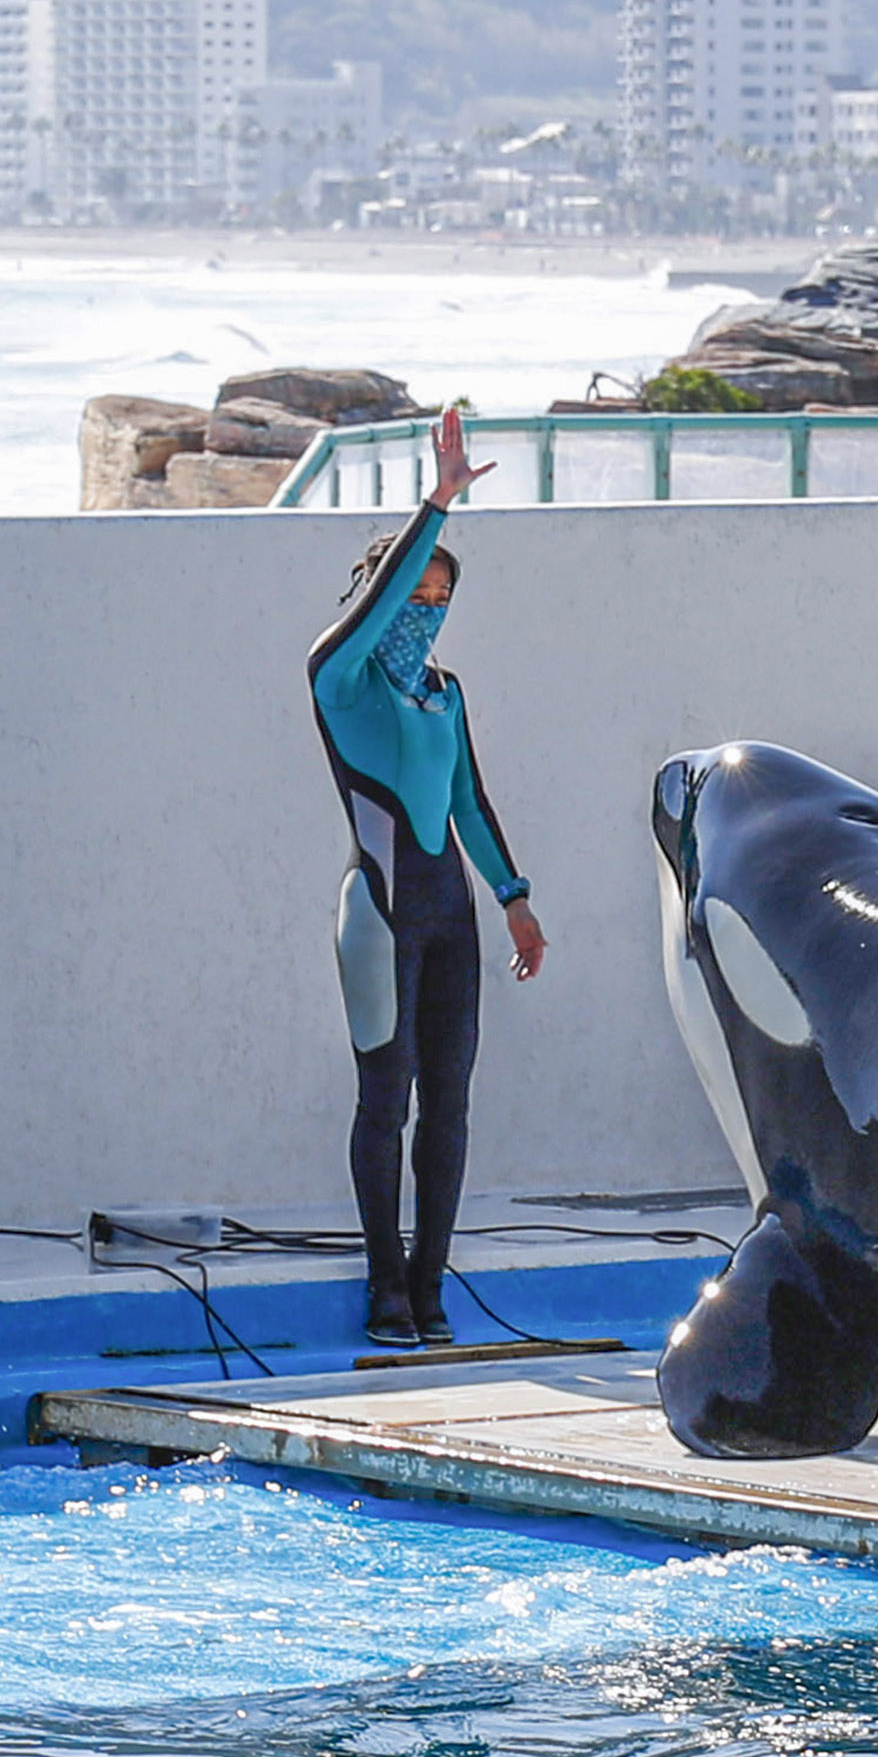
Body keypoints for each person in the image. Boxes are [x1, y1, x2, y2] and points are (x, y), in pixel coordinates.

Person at [308, 407, 546, 1347]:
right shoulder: (339, 680)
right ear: (378, 595)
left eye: (441, 598)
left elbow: (471, 807)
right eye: (414, 594)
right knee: (387, 1095)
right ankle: (384, 1288)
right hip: (379, 909)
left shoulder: (445, 694)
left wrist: (516, 900)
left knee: (450, 1099)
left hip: (450, 913)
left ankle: (431, 1284)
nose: (428, 609)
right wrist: (437, 504)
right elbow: (375, 612)